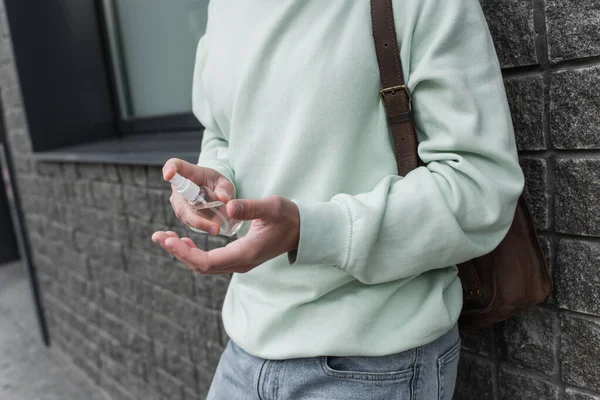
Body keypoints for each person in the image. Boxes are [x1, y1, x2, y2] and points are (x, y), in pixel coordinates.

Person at [152, 0, 524, 398]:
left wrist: (311, 230)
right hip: (243, 350)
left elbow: (480, 185)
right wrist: (216, 183)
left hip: (374, 360)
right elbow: (222, 134)